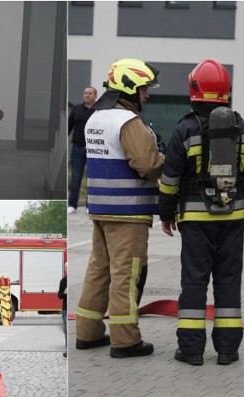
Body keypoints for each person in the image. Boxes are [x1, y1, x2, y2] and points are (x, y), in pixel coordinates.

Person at [159, 59, 244, 366]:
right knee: (228, 281)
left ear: (193, 90)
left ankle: (192, 351)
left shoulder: (185, 129)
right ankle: (227, 350)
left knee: (194, 283)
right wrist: (237, 181)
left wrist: (166, 213)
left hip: (194, 221)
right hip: (233, 219)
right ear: (226, 91)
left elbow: (169, 178)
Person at [74, 58, 164, 359]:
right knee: (126, 274)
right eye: (143, 90)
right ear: (129, 88)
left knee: (98, 271)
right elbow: (148, 165)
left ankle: (87, 332)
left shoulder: (96, 118)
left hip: (100, 208)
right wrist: (166, 161)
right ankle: (125, 340)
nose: (146, 95)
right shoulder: (128, 121)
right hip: (129, 212)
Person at [68, 87, 98, 214]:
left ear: (95, 96)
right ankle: (72, 205)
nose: (87, 95)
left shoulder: (99, 111)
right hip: (78, 147)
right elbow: (69, 126)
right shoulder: (76, 109)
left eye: (90, 93)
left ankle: (89, 205)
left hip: (94, 149)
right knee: (75, 177)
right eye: (85, 93)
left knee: (91, 177)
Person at [58, 265, 67, 357]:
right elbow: (59, 296)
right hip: (65, 309)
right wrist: (64, 293)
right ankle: (67, 348)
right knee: (67, 329)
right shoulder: (63, 281)